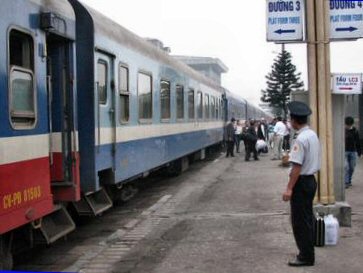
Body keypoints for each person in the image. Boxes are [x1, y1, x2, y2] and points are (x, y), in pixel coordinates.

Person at [282, 101, 321, 267]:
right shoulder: (312, 134)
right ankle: (307, 252)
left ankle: (305, 256)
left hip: (302, 182)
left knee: (300, 221)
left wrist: (289, 188)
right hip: (311, 180)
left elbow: (297, 167)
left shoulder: (300, 139)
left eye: (291, 119)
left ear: (294, 120)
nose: (290, 122)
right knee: (306, 218)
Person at [344, 116, 361, 188]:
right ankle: (346, 182)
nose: (348, 126)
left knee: (352, 167)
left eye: (349, 125)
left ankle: (349, 180)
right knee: (346, 167)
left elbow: (358, 142)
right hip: (345, 151)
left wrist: (359, 152)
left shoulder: (355, 131)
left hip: (353, 151)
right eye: (347, 125)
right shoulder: (343, 131)